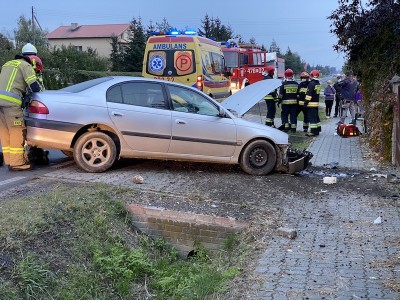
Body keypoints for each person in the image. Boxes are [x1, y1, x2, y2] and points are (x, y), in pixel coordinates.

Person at [0, 44, 42, 170]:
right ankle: (17, 163)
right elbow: (34, 87)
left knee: (5, 132)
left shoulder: (8, 64)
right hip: (11, 104)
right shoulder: (26, 65)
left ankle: (9, 160)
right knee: (16, 131)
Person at [279, 68, 298, 133]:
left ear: (285, 76)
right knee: (293, 115)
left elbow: (281, 95)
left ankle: (286, 127)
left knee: (284, 115)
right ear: (292, 75)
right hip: (294, 104)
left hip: (285, 104)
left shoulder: (283, 85)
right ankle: (293, 129)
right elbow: (298, 94)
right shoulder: (296, 84)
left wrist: (279, 101)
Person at [304, 69, 321, 136]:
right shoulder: (318, 83)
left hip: (311, 104)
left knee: (312, 118)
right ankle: (317, 130)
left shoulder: (311, 84)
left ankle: (313, 132)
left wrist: (305, 103)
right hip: (316, 103)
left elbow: (309, 95)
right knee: (316, 117)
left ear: (311, 75)